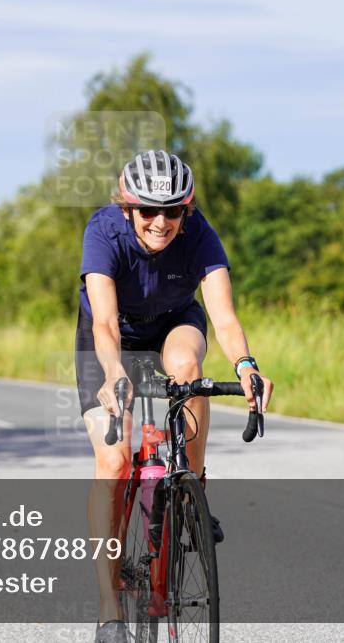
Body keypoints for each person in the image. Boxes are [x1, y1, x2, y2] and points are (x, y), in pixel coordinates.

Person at [76, 151, 274, 643]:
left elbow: (224, 317)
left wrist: (246, 365)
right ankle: (108, 609)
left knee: (188, 370)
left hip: (173, 324)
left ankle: (193, 488)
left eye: (173, 211)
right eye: (148, 211)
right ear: (127, 208)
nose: (160, 222)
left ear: (187, 210)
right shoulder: (103, 231)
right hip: (111, 339)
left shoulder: (200, 235)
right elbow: (102, 320)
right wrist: (114, 370)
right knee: (115, 461)